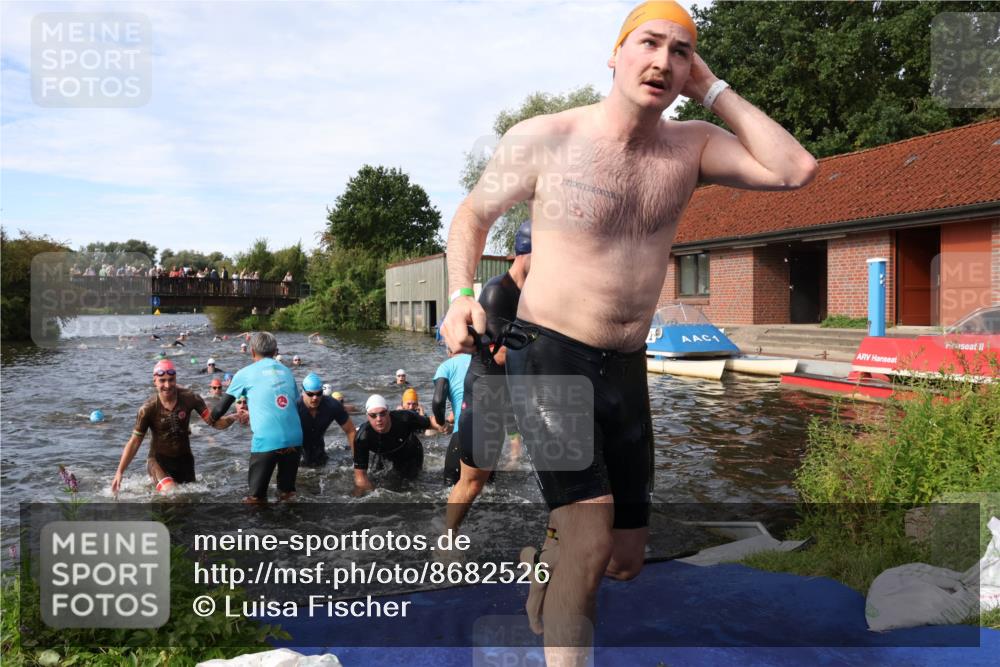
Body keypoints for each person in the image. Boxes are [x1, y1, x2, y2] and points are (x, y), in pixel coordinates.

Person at [439, 1, 817, 660]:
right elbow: (472, 216)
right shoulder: (548, 137)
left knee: (621, 555)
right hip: (548, 351)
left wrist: (714, 89)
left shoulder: (692, 144)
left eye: (680, 52)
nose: (663, 62)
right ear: (614, 54)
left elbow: (795, 169)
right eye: (649, 44)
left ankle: (544, 561)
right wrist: (460, 296)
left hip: (627, 364)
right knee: (589, 537)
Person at [445, 220, 531, 531]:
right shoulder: (498, 293)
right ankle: (447, 536)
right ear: (525, 254)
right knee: (473, 481)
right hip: (484, 395)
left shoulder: (533, 293)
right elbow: (501, 354)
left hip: (511, 394)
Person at [111, 359, 245, 495]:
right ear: (154, 382)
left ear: (176, 379)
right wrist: (119, 472)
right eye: (162, 380)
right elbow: (135, 442)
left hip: (185, 460)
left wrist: (233, 417)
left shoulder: (190, 398)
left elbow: (214, 422)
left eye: (171, 380)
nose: (167, 385)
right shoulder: (148, 409)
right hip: (158, 461)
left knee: (189, 502)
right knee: (171, 493)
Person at [212, 332, 304, 503]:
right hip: (295, 438)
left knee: (255, 499)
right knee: (287, 494)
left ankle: (258, 529)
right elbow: (291, 405)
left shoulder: (244, 373)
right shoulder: (287, 371)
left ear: (252, 352)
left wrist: (207, 418)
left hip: (267, 440)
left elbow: (219, 410)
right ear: (275, 351)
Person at [351, 395, 442, 496]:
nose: (379, 419)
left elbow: (430, 422)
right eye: (373, 415)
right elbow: (360, 477)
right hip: (384, 454)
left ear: (388, 412)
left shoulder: (405, 418)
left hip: (411, 453)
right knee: (376, 481)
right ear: (367, 416)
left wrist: (446, 426)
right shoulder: (363, 437)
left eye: (382, 413)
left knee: (409, 485)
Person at [297, 372, 356, 467]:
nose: (315, 398)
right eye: (310, 394)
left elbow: (351, 431)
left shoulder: (332, 405)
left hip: (319, 452)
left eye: (318, 393)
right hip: (297, 454)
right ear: (303, 393)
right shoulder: (295, 407)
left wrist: (358, 463)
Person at [433, 351, 472, 484]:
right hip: (491, 433)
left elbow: (438, 401)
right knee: (486, 487)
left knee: (450, 486)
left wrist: (441, 423)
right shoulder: (484, 362)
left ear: (449, 351)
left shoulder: (447, 366)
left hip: (464, 431)